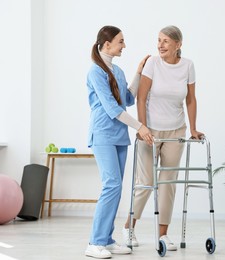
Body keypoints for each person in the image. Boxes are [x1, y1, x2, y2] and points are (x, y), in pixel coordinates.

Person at [123, 25, 204, 251]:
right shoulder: (152, 64)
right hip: (150, 132)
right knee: (147, 182)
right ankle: (129, 226)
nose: (160, 45)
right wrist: (142, 128)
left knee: (168, 184)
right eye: (159, 40)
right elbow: (141, 98)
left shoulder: (188, 65)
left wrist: (194, 129)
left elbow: (190, 99)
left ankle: (163, 234)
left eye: (166, 41)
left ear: (178, 44)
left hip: (175, 131)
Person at [85, 25, 153, 259]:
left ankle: (107, 240)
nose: (124, 45)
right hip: (103, 134)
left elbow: (128, 98)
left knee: (115, 188)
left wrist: (138, 72)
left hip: (119, 137)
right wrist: (140, 127)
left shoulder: (119, 71)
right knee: (111, 185)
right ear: (106, 44)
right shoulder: (95, 72)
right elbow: (112, 109)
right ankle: (94, 243)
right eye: (121, 41)